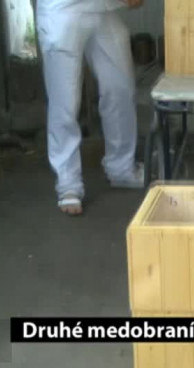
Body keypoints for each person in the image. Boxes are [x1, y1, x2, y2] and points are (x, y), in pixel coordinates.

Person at [36, 0, 145, 216]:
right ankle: (68, 183)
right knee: (64, 101)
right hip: (62, 10)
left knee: (120, 88)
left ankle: (121, 168)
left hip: (103, 9)